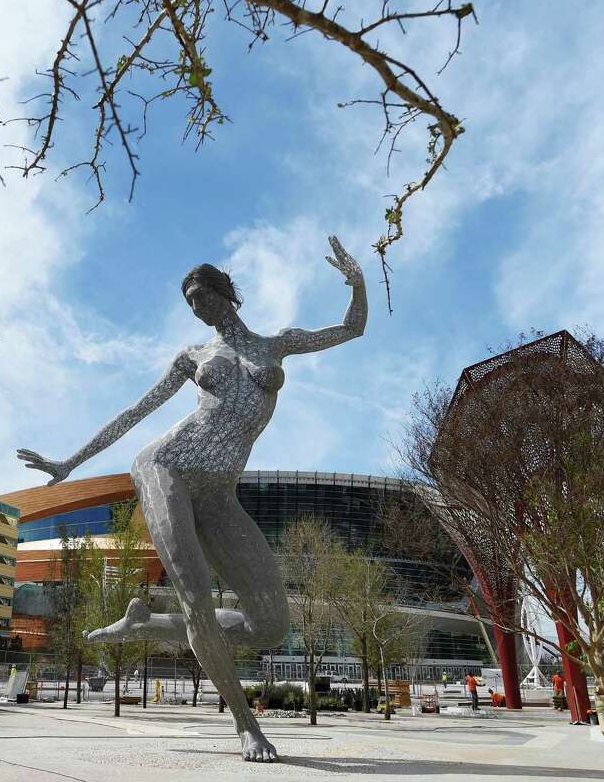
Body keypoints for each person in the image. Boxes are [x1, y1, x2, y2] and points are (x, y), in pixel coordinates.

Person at [18, 238, 367, 762]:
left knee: (270, 626)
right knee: (196, 594)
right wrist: (70, 463)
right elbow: (134, 413)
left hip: (219, 494)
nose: (199, 308)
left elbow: (350, 329)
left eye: (204, 296)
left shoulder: (277, 344)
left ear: (227, 293)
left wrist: (358, 281)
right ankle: (247, 726)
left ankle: (147, 624)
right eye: (191, 303)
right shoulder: (193, 356)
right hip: (167, 469)